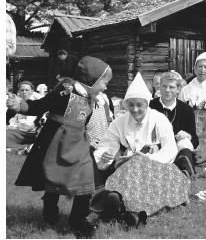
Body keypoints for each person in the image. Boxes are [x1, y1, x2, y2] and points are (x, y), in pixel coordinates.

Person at [8, 56, 112, 237]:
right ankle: (50, 213)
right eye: (104, 82)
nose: (106, 86)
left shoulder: (93, 97)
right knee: (53, 178)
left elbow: (92, 123)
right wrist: (20, 105)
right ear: (92, 79)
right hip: (56, 142)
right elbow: (41, 105)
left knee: (86, 177)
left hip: (78, 143)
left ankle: (78, 220)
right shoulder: (66, 90)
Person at [92, 73, 188, 218]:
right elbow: (107, 144)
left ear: (146, 104)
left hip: (155, 166)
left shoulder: (159, 119)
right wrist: (105, 156)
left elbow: (170, 149)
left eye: (139, 105)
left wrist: (148, 159)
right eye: (131, 105)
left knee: (151, 179)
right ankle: (122, 205)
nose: (135, 109)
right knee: (127, 173)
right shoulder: (120, 121)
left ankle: (126, 207)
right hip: (126, 168)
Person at [149, 71, 199, 176]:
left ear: (178, 90)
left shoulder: (186, 110)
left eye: (171, 87)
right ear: (159, 87)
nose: (167, 90)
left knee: (185, 142)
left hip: (177, 148)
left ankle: (184, 173)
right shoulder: (150, 106)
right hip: (157, 147)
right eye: (164, 86)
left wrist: (188, 135)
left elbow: (195, 140)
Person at [6, 81, 42, 152]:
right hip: (17, 132)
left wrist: (34, 127)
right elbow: (6, 119)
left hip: (33, 132)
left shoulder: (38, 104)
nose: (24, 92)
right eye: (22, 90)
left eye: (27, 90)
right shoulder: (14, 103)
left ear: (32, 91)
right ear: (19, 91)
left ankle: (24, 147)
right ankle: (26, 147)